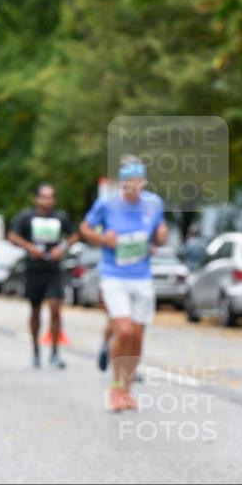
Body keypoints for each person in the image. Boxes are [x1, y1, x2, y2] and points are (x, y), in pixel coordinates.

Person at [80, 156, 168, 411]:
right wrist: (101, 240)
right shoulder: (106, 203)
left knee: (138, 338)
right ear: (121, 183)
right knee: (126, 331)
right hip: (114, 275)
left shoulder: (154, 203)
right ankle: (115, 388)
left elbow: (157, 238)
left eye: (138, 181)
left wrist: (162, 237)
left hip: (142, 277)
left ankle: (126, 390)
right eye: (129, 181)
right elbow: (85, 229)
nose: (134, 186)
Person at [8, 183, 78, 369]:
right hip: (33, 269)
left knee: (55, 308)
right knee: (35, 310)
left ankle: (55, 351)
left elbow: (74, 236)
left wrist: (61, 248)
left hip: (53, 269)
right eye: (44, 197)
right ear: (37, 198)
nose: (48, 201)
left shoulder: (60, 217)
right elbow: (12, 236)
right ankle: (36, 350)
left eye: (51, 197)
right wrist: (30, 247)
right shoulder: (26, 217)